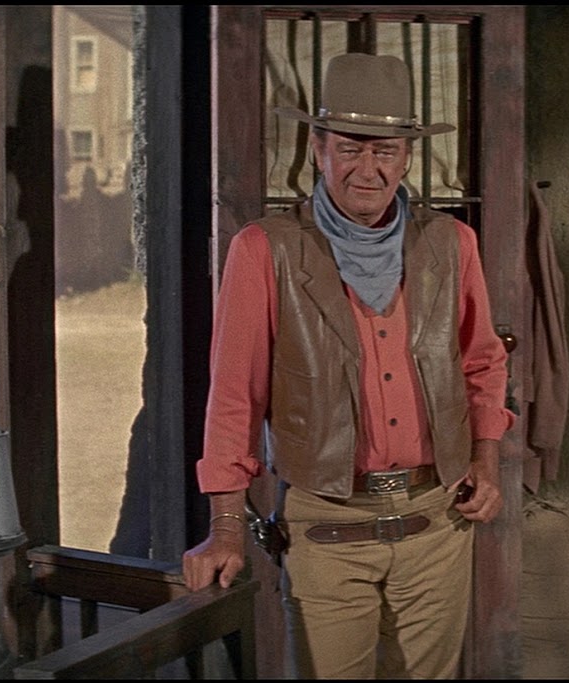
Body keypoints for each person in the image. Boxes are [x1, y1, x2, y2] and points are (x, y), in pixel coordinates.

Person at [181, 52, 514, 679]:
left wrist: (485, 459)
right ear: (318, 149)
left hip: (437, 521)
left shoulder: (451, 244)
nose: (368, 169)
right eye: (350, 149)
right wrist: (225, 526)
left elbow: (483, 362)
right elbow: (234, 397)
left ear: (407, 156)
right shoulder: (266, 251)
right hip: (328, 529)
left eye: (385, 150)